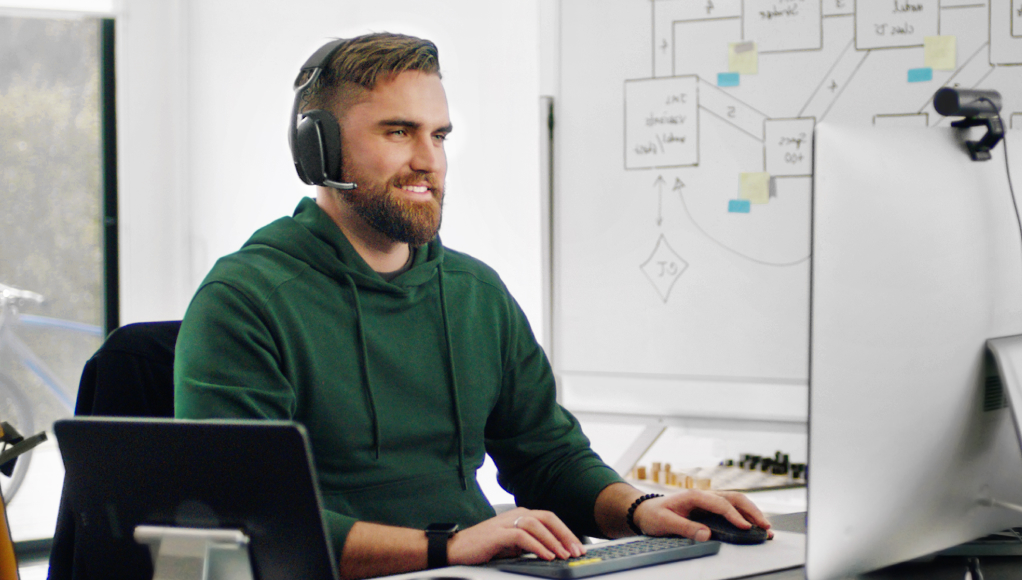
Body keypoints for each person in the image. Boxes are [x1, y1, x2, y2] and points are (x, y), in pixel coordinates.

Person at [174, 32, 771, 579]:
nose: (429, 160)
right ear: (319, 150)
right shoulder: (246, 301)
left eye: (439, 135)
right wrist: (449, 548)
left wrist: (643, 508)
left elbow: (548, 457)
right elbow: (249, 518)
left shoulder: (474, 292)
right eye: (398, 131)